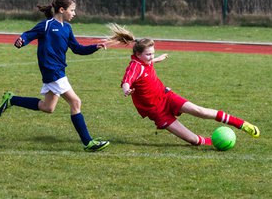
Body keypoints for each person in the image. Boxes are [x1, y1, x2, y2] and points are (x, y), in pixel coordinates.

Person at [108, 24, 260, 146]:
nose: (151, 57)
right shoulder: (135, 66)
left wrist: (157, 59)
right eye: (148, 54)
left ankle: (241, 124)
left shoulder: (145, 61)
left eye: (153, 53)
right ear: (138, 55)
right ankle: (215, 142)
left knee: (201, 111)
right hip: (156, 111)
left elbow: (147, 64)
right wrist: (126, 90)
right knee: (193, 140)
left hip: (166, 96)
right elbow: (127, 79)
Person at [0, 0, 110, 152]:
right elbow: (28, 34)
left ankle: (12, 100)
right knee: (76, 102)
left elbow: (77, 49)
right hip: (52, 71)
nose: (74, 13)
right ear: (62, 10)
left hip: (58, 71)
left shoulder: (67, 29)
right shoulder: (46, 25)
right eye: (72, 10)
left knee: (48, 107)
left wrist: (95, 47)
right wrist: (21, 40)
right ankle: (88, 142)